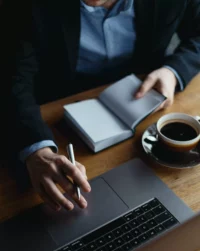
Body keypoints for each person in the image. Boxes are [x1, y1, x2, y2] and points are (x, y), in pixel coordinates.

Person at [10, 0, 200, 211]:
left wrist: (174, 71)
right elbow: (12, 79)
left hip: (150, 104)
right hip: (59, 110)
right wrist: (37, 150)